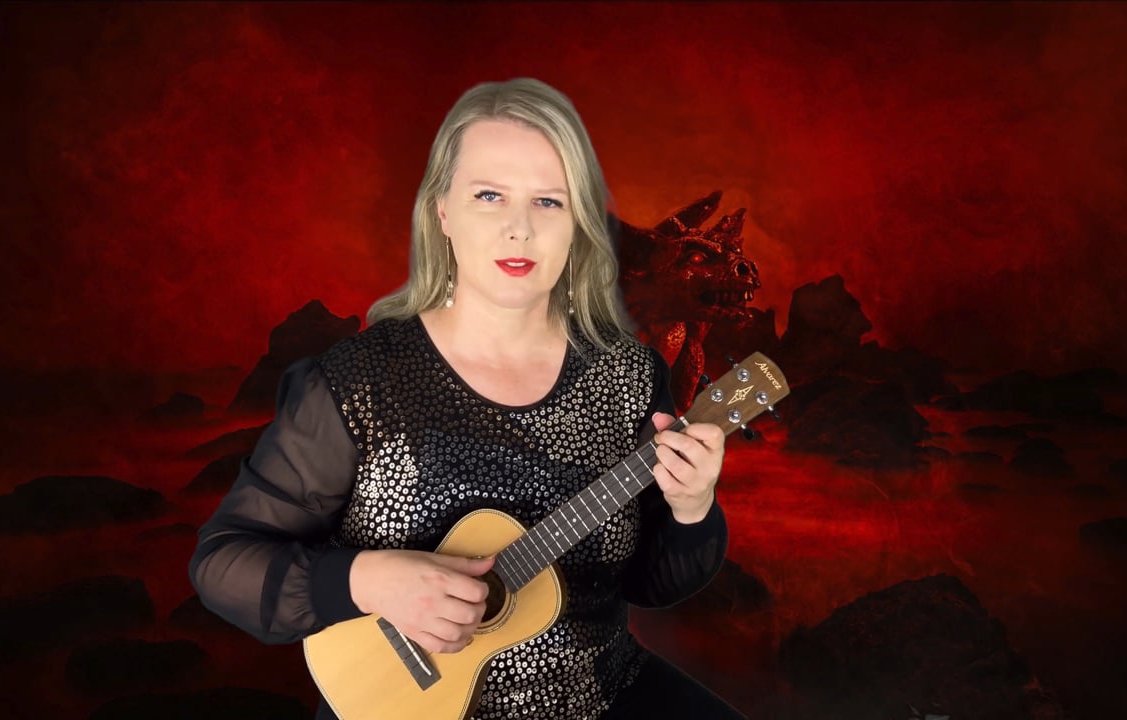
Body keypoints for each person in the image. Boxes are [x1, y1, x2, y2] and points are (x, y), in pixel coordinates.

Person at [190, 77, 745, 719]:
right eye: (489, 195)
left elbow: (649, 583)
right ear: (442, 213)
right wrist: (367, 580)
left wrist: (691, 509)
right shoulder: (358, 382)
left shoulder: (630, 376)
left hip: (598, 695)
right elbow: (224, 561)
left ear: (578, 224)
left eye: (548, 201)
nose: (519, 228)